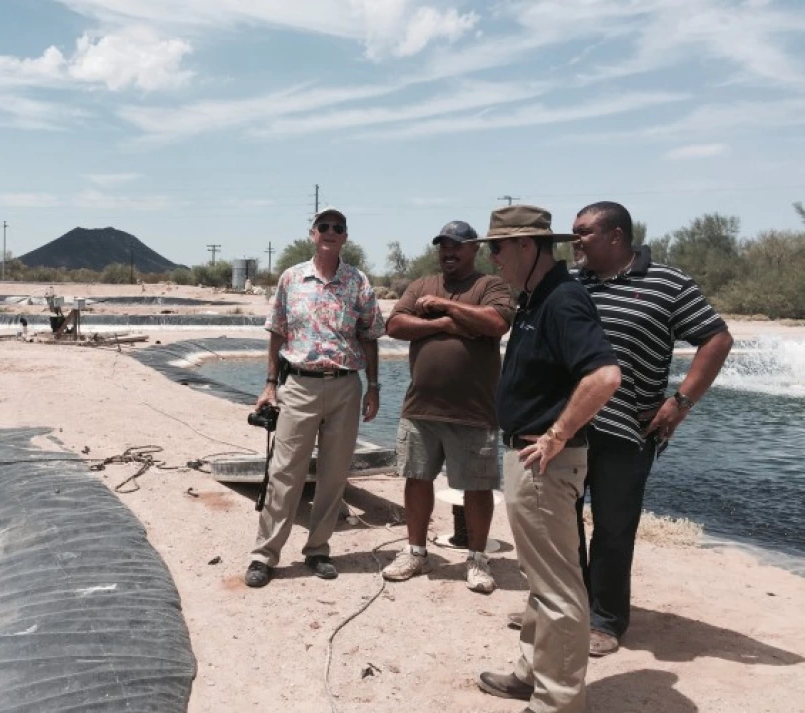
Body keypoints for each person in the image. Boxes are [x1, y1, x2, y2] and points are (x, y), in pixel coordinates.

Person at [473, 204, 622, 713]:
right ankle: (530, 673)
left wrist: (557, 434)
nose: (491, 258)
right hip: (531, 460)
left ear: (526, 245)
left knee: (558, 589)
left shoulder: (563, 300)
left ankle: (557, 703)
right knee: (543, 579)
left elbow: (604, 377)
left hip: (543, 464)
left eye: (496, 247)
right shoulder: (538, 297)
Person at [569, 201, 733, 656]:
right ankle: (565, 609)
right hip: (568, 427)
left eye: (583, 232)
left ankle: (605, 621)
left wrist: (681, 402)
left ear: (616, 236)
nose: (575, 241)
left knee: (614, 527)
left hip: (629, 430)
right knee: (561, 523)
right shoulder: (572, 283)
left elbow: (716, 338)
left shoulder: (668, 283)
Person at [244, 206, 385, 588]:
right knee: (284, 473)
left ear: (345, 237)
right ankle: (264, 555)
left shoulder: (358, 282)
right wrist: (270, 384)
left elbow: (370, 336)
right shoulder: (291, 279)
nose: (330, 231)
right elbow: (277, 330)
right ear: (312, 233)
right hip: (300, 386)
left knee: (334, 474)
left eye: (338, 227)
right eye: (324, 226)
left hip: (344, 386)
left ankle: (318, 550)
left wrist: (373, 387)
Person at [383, 220, 513, 593]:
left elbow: (496, 323)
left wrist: (439, 306)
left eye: (457, 246)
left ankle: (476, 558)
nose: (448, 252)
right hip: (420, 407)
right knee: (416, 479)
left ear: (474, 249)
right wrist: (446, 323)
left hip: (474, 410)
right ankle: (416, 552)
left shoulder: (490, 285)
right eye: (443, 246)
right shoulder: (421, 285)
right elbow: (394, 325)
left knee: (477, 486)